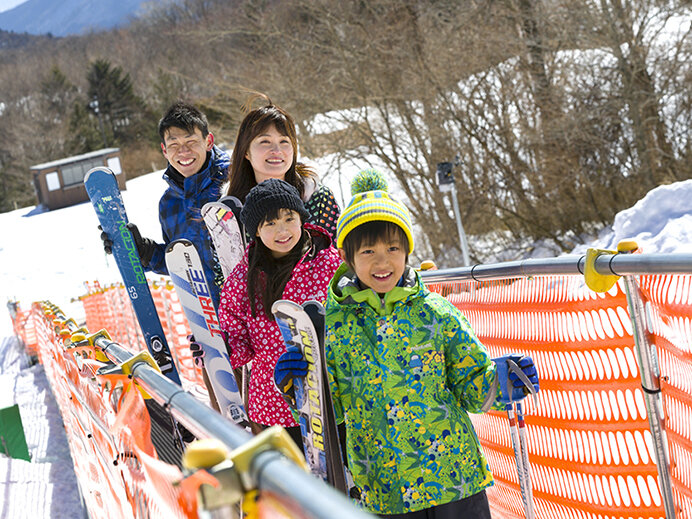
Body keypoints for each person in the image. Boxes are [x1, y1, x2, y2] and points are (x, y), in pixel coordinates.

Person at [274, 169, 540, 517]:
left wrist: (502, 381)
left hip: (453, 480)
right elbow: (331, 409)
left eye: (393, 248)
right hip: (385, 488)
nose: (382, 261)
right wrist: (299, 386)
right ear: (347, 259)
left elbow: (472, 386)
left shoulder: (436, 313)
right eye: (368, 251)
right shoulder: (337, 326)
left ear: (407, 252)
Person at [209, 178, 341, 447]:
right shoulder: (243, 279)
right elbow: (238, 341)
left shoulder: (328, 262)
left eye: (288, 218)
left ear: (301, 218)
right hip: (273, 401)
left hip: (329, 395)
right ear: (256, 231)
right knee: (290, 484)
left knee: (338, 480)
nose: (282, 230)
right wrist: (218, 345)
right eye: (270, 223)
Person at [100, 101, 230, 306]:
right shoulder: (169, 205)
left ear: (209, 141)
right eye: (174, 145)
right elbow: (183, 266)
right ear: (164, 151)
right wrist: (144, 252)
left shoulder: (234, 183)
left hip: (257, 317)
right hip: (210, 322)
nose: (183, 152)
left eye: (191, 142)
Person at [224, 93, 340, 243]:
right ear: (246, 151)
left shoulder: (317, 198)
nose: (277, 151)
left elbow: (340, 258)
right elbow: (225, 264)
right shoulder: (230, 211)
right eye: (265, 141)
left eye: (284, 141)